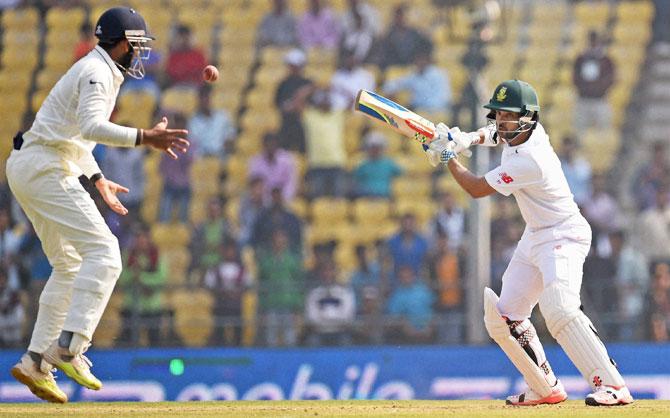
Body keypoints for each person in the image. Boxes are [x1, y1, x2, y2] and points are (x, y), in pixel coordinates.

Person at [6, 7, 189, 403]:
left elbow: (77, 139)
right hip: (44, 168)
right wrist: (145, 137)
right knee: (105, 254)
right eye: (137, 46)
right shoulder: (97, 72)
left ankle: (36, 361)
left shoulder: (100, 70)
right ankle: (70, 347)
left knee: (70, 265)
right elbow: (90, 127)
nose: (139, 54)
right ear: (122, 43)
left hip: (35, 165)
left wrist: (97, 179)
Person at [421, 79, 633, 406]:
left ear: (525, 117)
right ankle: (545, 387)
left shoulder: (530, 161)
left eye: (506, 116)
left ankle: (613, 386)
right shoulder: (523, 130)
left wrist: (449, 154)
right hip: (536, 234)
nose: (500, 123)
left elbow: (476, 189)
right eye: (498, 115)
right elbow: (493, 134)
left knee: (559, 307)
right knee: (504, 316)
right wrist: (467, 138)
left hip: (563, 233)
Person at [304, 260, 355, 346]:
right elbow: (311, 317)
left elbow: (347, 316)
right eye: (325, 271)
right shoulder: (314, 294)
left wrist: (326, 319)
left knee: (346, 342)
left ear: (336, 273)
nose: (328, 274)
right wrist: (332, 320)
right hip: (319, 333)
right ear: (320, 274)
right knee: (312, 342)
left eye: (331, 271)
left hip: (340, 333)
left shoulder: (345, 293)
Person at [572, 30, 615, 133]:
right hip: (583, 99)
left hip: (600, 100)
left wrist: (600, 88)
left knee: (603, 129)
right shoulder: (581, 59)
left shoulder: (605, 60)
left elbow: (611, 77)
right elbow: (575, 76)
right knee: (579, 131)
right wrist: (583, 88)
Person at [382, 50, 451, 114]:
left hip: (436, 110)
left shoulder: (439, 75)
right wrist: (390, 92)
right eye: (417, 60)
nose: (419, 62)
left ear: (428, 61)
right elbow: (394, 84)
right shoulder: (413, 75)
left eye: (422, 60)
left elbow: (444, 98)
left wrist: (422, 108)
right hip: (416, 109)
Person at [188, 84, 236, 160]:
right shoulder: (193, 122)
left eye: (207, 97)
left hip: (221, 156)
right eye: (202, 98)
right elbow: (193, 144)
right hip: (202, 158)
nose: (205, 101)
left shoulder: (223, 117)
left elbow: (230, 136)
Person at [353, 131, 403, 198]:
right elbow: (356, 177)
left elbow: (401, 173)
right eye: (372, 147)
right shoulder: (363, 165)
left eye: (377, 148)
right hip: (366, 196)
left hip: (385, 195)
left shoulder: (389, 164)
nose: (375, 150)